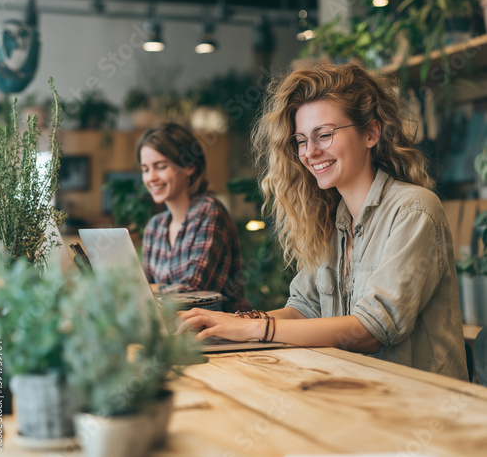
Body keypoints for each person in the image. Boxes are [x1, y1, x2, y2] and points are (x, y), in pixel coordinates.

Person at [179, 63, 468, 380]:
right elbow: (304, 309)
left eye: (324, 135)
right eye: (301, 140)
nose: (310, 152)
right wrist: (223, 324)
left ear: (370, 133)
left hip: (423, 411)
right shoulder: (334, 219)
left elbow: (372, 329)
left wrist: (251, 327)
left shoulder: (414, 210)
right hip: (358, 397)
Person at [137, 122, 250, 312]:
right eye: (145, 169)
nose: (151, 178)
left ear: (189, 166)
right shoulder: (154, 227)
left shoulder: (209, 211)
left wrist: (147, 290)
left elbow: (194, 293)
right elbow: (142, 291)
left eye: (161, 166)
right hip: (176, 334)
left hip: (224, 334)